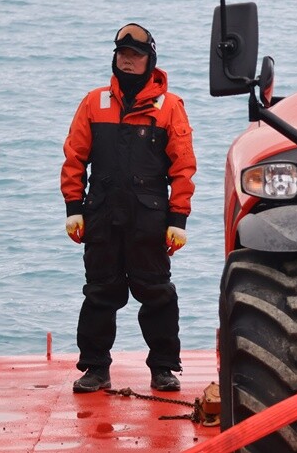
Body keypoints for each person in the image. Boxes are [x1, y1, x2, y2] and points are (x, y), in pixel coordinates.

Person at [61, 23, 196, 394]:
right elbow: (74, 159)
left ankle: (164, 368)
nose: (128, 61)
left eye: (136, 56)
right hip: (101, 215)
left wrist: (178, 219)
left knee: (157, 293)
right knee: (99, 293)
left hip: (149, 219)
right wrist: (74, 207)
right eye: (123, 55)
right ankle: (95, 369)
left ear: (150, 60)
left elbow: (182, 168)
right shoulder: (94, 102)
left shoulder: (170, 107)